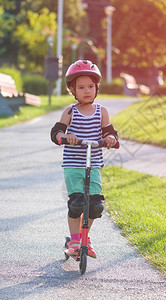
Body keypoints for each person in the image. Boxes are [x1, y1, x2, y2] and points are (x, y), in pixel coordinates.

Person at [50, 60, 118, 258]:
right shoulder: (70, 111)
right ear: (72, 89)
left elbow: (109, 132)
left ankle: (85, 237)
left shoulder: (101, 111)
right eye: (81, 87)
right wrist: (64, 137)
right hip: (73, 164)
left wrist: (111, 139)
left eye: (90, 86)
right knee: (77, 203)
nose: (86, 91)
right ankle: (74, 240)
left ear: (97, 88)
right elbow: (57, 131)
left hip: (94, 164)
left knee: (95, 206)